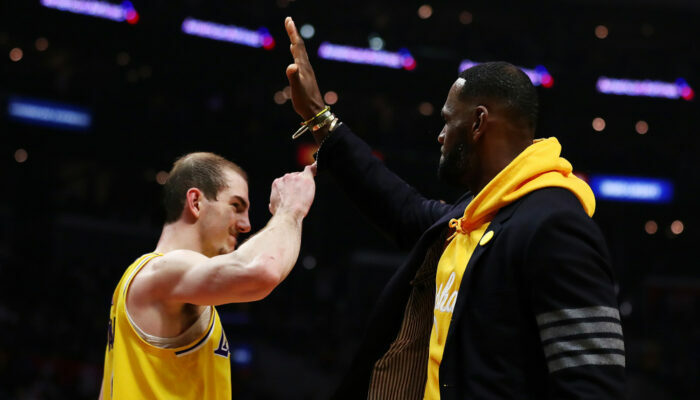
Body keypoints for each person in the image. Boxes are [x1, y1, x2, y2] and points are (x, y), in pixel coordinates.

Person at [283, 17, 625, 399]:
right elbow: (398, 205)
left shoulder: (556, 226)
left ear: (478, 122)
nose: (440, 135)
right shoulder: (471, 217)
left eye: (448, 119)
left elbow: (594, 388)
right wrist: (318, 116)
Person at [99, 152, 316, 399]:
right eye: (236, 206)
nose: (246, 225)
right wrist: (291, 209)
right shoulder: (162, 271)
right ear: (196, 202)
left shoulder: (158, 282)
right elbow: (262, 270)